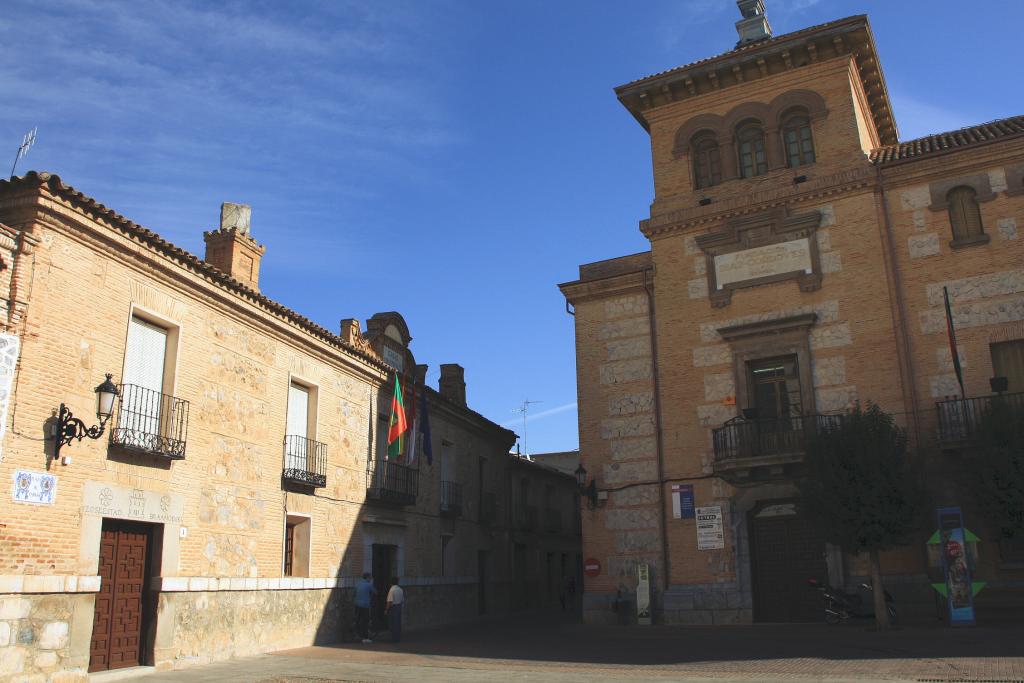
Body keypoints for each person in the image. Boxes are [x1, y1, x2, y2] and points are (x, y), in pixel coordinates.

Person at [353, 572, 376, 643]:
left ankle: (356, 635)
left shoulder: (357, 584)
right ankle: (365, 637)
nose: (371, 579)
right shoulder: (369, 585)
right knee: (365, 621)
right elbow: (375, 592)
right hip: (365, 606)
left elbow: (354, 593)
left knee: (357, 620)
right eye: (370, 578)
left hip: (357, 605)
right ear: (367, 578)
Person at [385, 576, 404, 643]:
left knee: (392, 623)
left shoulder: (392, 590)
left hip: (393, 607)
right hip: (399, 606)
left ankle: (394, 638)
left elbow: (389, 601)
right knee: (398, 623)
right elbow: (402, 600)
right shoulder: (400, 589)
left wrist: (386, 610)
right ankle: (397, 637)